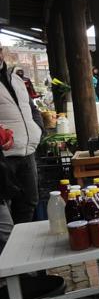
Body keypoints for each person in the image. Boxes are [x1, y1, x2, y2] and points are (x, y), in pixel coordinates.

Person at [0, 45, 42, 224]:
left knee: (30, 201)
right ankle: (10, 247)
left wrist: (38, 128)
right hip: (4, 156)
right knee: (5, 206)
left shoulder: (16, 79)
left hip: (28, 151)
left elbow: (32, 108)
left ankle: (21, 244)